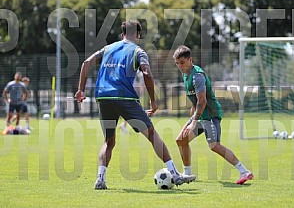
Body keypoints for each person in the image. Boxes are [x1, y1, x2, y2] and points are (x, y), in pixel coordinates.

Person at [74, 20, 195, 190]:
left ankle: (100, 179)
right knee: (152, 135)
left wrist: (80, 90)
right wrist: (153, 100)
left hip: (103, 97)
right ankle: (174, 173)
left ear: (122, 34)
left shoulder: (107, 49)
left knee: (109, 141)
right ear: (138, 35)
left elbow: (86, 63)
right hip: (125, 99)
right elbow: (146, 72)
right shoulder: (138, 51)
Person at [173, 45, 253, 185]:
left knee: (214, 146)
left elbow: (202, 101)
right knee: (181, 140)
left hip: (210, 115)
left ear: (190, 60)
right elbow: (195, 100)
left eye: (182, 63)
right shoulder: (185, 75)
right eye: (177, 63)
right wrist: (193, 116)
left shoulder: (197, 76)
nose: (180, 66)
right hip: (200, 116)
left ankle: (244, 171)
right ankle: (187, 173)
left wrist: (193, 122)